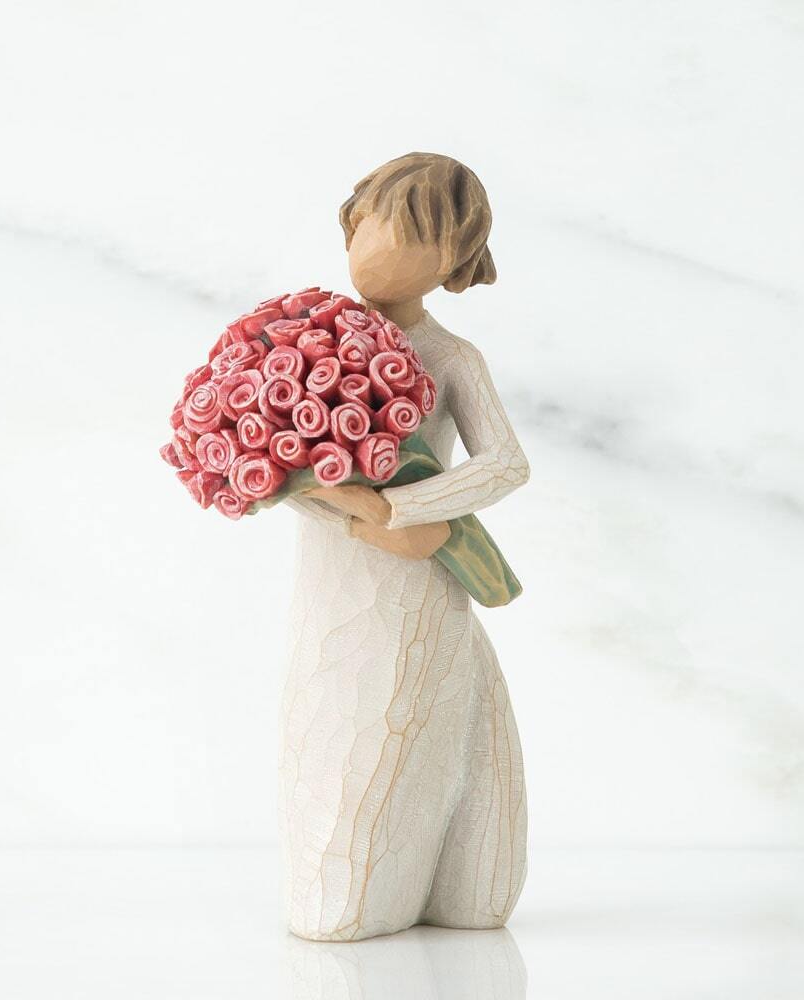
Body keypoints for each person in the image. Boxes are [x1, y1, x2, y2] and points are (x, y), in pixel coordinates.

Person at [281, 153, 530, 941]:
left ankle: (440, 881)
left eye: (415, 237)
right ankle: (351, 893)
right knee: (337, 720)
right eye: (372, 225)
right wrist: (357, 517)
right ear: (351, 223)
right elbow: (277, 467)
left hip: (420, 585)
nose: (382, 249)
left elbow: (505, 463)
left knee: (409, 714)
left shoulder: (453, 359)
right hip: (338, 581)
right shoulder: (302, 338)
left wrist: (408, 509)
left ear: (454, 261)